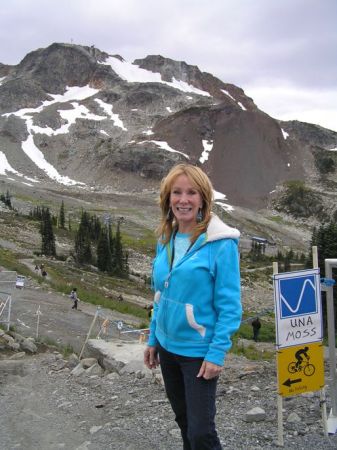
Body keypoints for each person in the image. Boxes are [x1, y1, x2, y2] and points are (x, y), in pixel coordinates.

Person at [144, 164, 242, 449]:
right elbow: (161, 294)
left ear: (202, 199)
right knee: (184, 422)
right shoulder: (166, 238)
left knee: (201, 432)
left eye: (191, 193)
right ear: (167, 198)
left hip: (198, 354)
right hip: (166, 346)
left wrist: (217, 353)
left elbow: (230, 306)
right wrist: (153, 338)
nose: (183, 200)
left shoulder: (221, 244)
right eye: (177, 192)